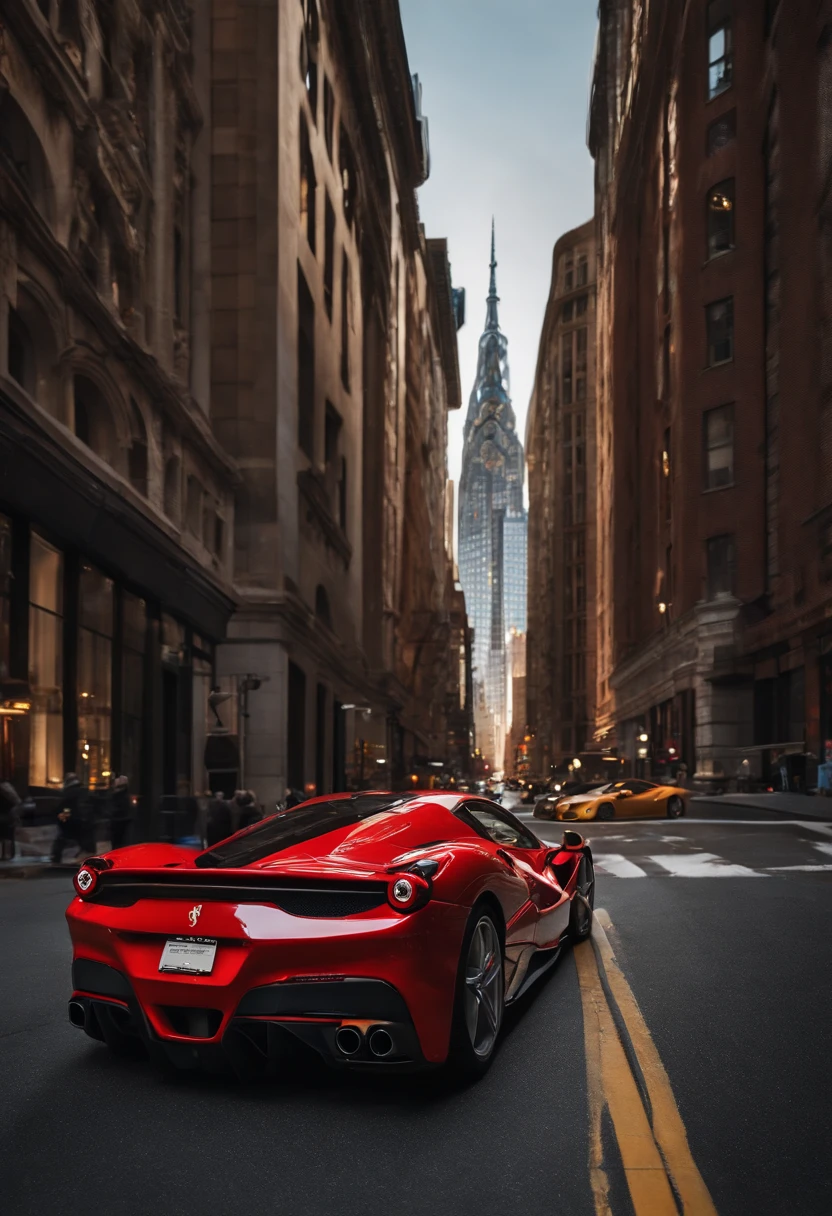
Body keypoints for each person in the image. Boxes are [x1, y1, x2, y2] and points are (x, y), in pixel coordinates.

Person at [51, 773, 89, 863]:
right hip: (83, 820)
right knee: (83, 841)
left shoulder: (69, 793)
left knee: (61, 839)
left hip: (72, 820)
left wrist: (62, 819)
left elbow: (66, 808)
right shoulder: (84, 791)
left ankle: (56, 858)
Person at [0, 779, 21, 861]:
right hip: (9, 817)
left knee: (5, 836)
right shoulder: (7, 787)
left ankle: (6, 855)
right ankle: (9, 854)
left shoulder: (4, 788)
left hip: (5, 817)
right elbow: (17, 801)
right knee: (8, 837)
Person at [110, 775, 132, 851]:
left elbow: (117, 808)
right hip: (120, 819)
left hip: (118, 820)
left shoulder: (119, 796)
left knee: (117, 841)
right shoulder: (124, 795)